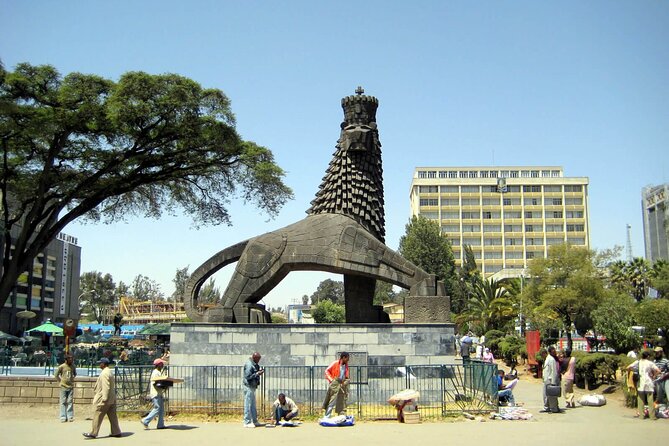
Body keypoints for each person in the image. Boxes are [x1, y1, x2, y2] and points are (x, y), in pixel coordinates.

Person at [83, 358, 122, 439]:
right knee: (112, 416)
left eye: (100, 363)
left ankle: (93, 433)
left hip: (105, 398)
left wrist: (104, 398)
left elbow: (106, 387)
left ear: (104, 364)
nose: (99, 364)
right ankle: (116, 431)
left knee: (98, 414)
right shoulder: (109, 371)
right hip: (111, 398)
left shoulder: (104, 373)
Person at [628, 350, 660, 419]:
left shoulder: (638, 362)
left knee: (640, 399)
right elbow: (658, 370)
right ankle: (652, 416)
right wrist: (654, 376)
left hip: (641, 381)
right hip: (649, 382)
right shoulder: (650, 363)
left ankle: (641, 415)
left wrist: (633, 371)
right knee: (650, 399)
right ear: (648, 356)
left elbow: (628, 367)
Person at [141, 358, 168, 430]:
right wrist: (164, 385)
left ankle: (160, 424)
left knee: (161, 409)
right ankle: (145, 421)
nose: (162, 365)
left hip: (159, 392)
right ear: (158, 365)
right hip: (156, 393)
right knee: (157, 408)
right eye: (161, 364)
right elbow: (156, 383)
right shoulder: (156, 372)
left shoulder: (158, 372)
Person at [323, 352, 350, 418]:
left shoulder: (346, 365)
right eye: (347, 358)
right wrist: (331, 380)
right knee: (332, 400)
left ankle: (341, 416)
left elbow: (346, 376)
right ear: (343, 357)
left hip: (341, 383)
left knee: (341, 400)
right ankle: (327, 416)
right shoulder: (335, 363)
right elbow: (326, 371)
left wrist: (345, 382)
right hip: (335, 383)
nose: (348, 360)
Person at [242, 352, 264, 428]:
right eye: (258, 359)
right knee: (248, 404)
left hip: (252, 386)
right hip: (248, 386)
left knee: (253, 405)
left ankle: (254, 420)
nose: (259, 361)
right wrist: (257, 374)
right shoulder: (249, 365)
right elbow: (248, 376)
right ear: (254, 358)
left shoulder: (254, 364)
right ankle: (247, 421)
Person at [54, 354, 77, 422]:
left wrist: (71, 380)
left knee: (70, 401)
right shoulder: (62, 366)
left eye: (72, 359)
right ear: (66, 360)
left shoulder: (73, 366)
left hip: (70, 386)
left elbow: (75, 374)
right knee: (63, 402)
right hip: (63, 386)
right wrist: (60, 381)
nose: (71, 360)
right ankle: (63, 416)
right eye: (70, 359)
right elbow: (56, 375)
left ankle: (70, 416)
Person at [541, 346, 560, 413]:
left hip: (550, 380)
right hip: (545, 380)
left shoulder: (551, 359)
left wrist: (553, 382)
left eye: (542, 355)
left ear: (545, 353)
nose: (542, 357)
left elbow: (554, 371)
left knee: (552, 396)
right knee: (545, 395)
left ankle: (554, 408)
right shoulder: (546, 360)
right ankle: (546, 407)